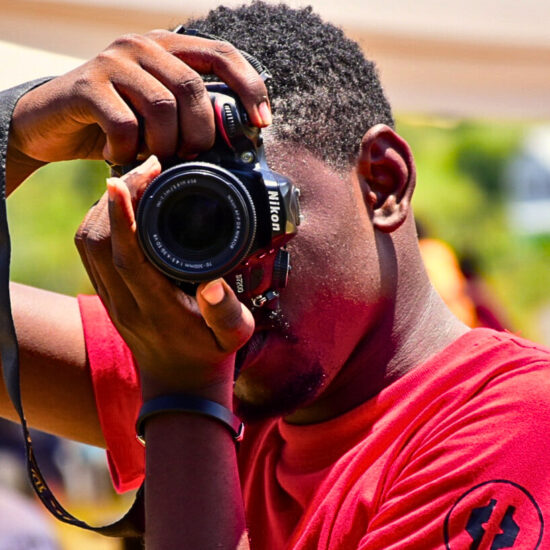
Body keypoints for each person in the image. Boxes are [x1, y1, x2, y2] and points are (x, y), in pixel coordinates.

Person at [1, 3, 550, 549]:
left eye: (246, 215)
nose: (224, 267)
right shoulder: (214, 364)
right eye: (187, 223)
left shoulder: (520, 426)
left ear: (383, 183)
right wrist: (17, 132)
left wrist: (186, 399)